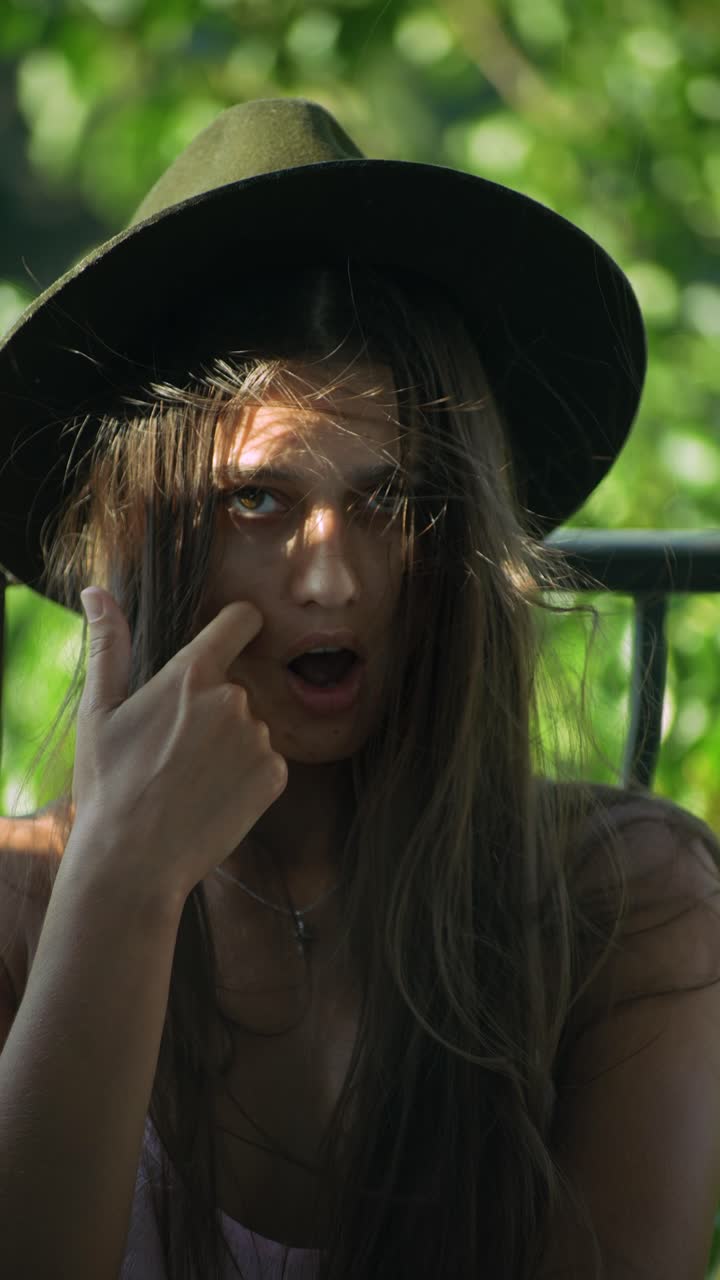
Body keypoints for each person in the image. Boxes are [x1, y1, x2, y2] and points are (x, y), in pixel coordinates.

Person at [0, 96, 718, 1280]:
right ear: (135, 536)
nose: (331, 578)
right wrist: (121, 882)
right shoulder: (23, 911)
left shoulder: (627, 907)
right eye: (257, 500)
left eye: (389, 500)